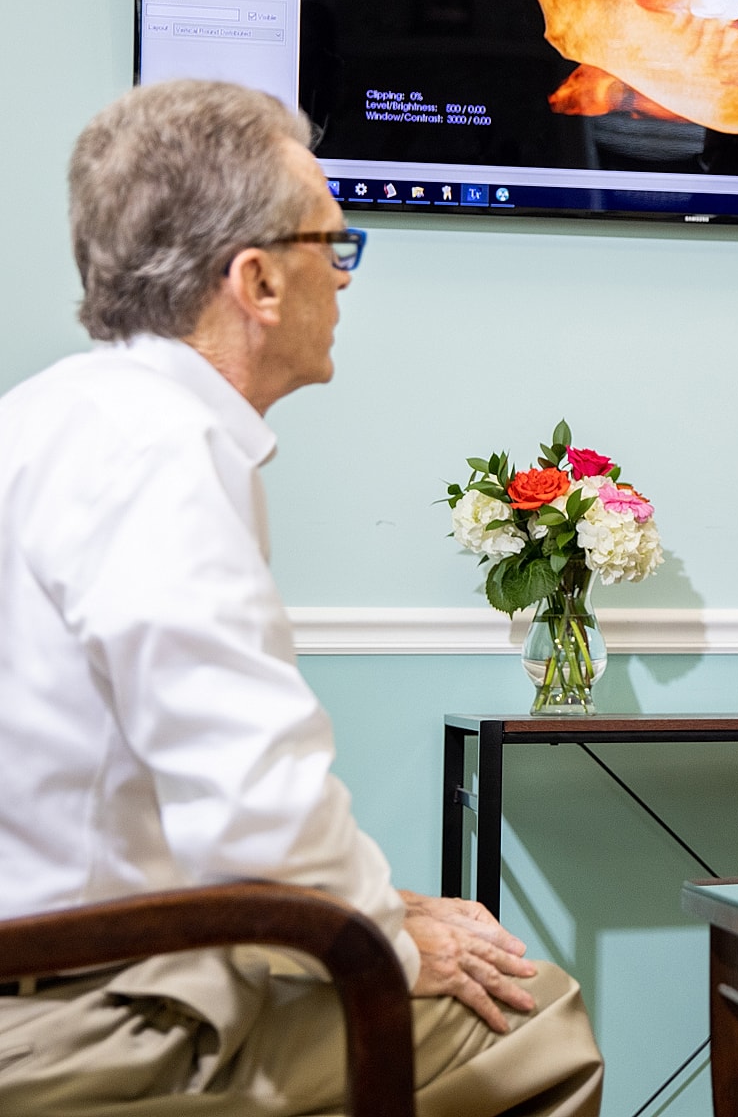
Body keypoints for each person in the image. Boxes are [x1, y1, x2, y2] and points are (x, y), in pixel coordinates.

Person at [0, 80, 603, 1115]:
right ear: (258, 282)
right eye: (334, 243)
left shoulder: (49, 414)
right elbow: (256, 811)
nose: (346, 275)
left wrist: (388, 903)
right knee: (534, 1013)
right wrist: (391, 936)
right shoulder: (161, 454)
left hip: (71, 954)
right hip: (80, 1017)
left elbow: (150, 808)